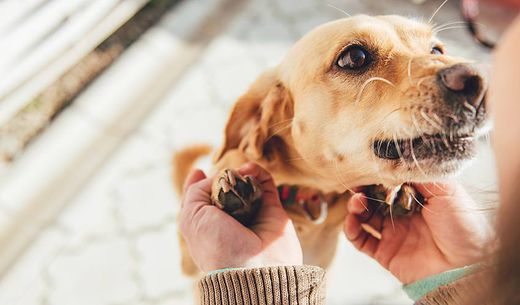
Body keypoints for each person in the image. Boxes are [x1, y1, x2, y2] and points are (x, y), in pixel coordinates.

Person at [178, 16, 520, 305]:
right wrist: (465, 272)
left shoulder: (356, 193)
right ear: (265, 117)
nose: (465, 77)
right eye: (355, 59)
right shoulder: (244, 151)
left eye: (434, 50)